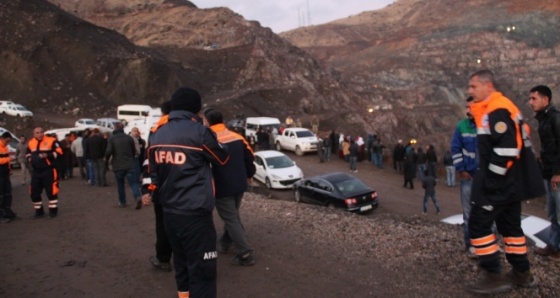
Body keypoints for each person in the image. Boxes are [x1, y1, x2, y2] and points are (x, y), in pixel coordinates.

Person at [144, 87, 229, 298]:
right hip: (195, 214)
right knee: (203, 272)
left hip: (169, 213)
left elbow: (153, 172)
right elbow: (222, 158)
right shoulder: (200, 132)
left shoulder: (157, 133)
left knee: (182, 267)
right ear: (197, 108)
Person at [466, 69, 544, 294]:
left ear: (488, 85)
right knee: (510, 228)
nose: (470, 91)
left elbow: (507, 150)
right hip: (512, 183)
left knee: (478, 224)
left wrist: (491, 181)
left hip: (500, 184)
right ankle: (522, 273)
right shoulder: (497, 107)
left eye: (474, 86)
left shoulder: (497, 109)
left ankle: (492, 275)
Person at [204, 108, 257, 266]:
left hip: (221, 186)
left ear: (207, 122)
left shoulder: (206, 140)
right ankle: (225, 243)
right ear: (223, 121)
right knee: (232, 215)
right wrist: (248, 175)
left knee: (232, 218)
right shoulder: (237, 137)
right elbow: (250, 157)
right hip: (240, 184)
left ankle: (245, 252)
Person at [528, 85, 560, 260]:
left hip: (556, 175)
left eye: (534, 98)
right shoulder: (544, 119)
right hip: (549, 173)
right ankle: (554, 245)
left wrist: (558, 172)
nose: (530, 102)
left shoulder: (555, 118)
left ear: (545, 99)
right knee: (553, 212)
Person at [142, 101, 173, 272]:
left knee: (163, 225)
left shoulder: (156, 132)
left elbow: (149, 164)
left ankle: (163, 259)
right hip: (189, 189)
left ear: (162, 113)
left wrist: (147, 189)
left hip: (162, 189)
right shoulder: (195, 128)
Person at [450, 96, 478, 254]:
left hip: (485, 179)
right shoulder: (462, 126)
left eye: (471, 107)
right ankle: (471, 245)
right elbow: (455, 148)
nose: (468, 110)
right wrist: (461, 169)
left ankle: (489, 245)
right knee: (468, 214)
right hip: (468, 178)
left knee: (487, 213)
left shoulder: (487, 126)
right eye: (467, 107)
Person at [26, 127, 63, 219]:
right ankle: (39, 212)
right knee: (34, 192)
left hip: (49, 170)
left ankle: (53, 212)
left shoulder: (52, 140)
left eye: (41, 132)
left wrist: (48, 155)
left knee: (51, 192)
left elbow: (59, 151)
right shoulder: (31, 142)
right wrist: (30, 159)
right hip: (36, 172)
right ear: (34, 134)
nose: (40, 134)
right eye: (37, 133)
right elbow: (27, 153)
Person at [105, 122, 142, 209]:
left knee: (120, 184)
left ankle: (122, 201)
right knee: (133, 183)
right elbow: (133, 151)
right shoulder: (129, 138)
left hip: (118, 165)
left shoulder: (112, 139)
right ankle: (137, 197)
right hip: (130, 163)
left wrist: (106, 160)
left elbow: (108, 151)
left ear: (115, 128)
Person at [0, 132, 16, 223]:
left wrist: (9, 169)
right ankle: (1, 215)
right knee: (1, 195)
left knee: (8, 193)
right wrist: (9, 159)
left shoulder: (5, 148)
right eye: (7, 141)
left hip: (5, 174)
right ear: (2, 138)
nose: (8, 143)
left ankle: (8, 211)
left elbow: (7, 161)